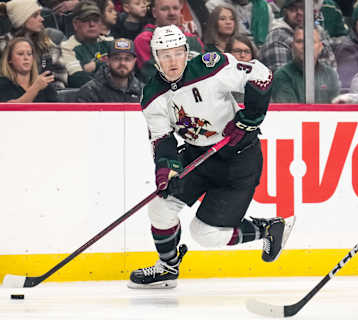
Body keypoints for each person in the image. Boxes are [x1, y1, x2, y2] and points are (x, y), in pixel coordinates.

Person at [127, 25, 294, 289]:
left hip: (239, 161)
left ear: (186, 51)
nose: (173, 61)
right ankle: (168, 268)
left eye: (177, 53)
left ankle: (268, 229)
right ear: (155, 58)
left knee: (205, 234)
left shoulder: (210, 67)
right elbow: (162, 138)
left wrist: (249, 120)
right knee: (159, 210)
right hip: (197, 157)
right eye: (165, 55)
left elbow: (261, 76)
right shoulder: (152, 95)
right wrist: (167, 170)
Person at [0, 0, 68, 89]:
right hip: (10, 96)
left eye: (40, 14)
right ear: (22, 20)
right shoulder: (1, 44)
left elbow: (60, 76)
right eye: (35, 16)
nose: (42, 19)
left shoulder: (47, 44)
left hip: (43, 96)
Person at [133, 0, 204, 83]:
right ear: (154, 12)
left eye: (175, 8)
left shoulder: (193, 39)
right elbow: (154, 76)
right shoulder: (144, 40)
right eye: (165, 9)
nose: (172, 13)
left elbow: (204, 72)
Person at [259, 0, 337, 73]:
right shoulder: (277, 37)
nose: (299, 12)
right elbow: (282, 81)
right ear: (285, 11)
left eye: (303, 8)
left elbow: (331, 71)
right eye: (293, 9)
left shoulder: (318, 31)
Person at [271, 26, 339, 103]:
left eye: (312, 42)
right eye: (300, 41)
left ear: (321, 47)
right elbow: (289, 113)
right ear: (292, 46)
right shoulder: (281, 76)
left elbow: (336, 110)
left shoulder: (330, 74)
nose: (306, 46)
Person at [61, 0, 113, 88]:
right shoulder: (66, 47)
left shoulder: (109, 42)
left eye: (95, 20)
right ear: (75, 24)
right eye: (86, 20)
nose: (92, 24)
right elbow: (78, 79)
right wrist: (107, 65)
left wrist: (94, 66)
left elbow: (125, 70)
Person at [0, 37, 58, 102]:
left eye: (29, 54)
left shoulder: (43, 84)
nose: (26, 58)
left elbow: (59, 111)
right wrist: (35, 88)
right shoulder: (0, 84)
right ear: (9, 59)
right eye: (20, 54)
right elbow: (10, 110)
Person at [76, 38, 143, 102]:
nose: (122, 63)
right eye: (117, 58)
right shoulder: (90, 91)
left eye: (127, 59)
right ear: (107, 60)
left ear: (134, 61)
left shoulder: (143, 91)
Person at [205, 0, 274, 47]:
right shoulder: (214, 5)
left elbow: (269, 38)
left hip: (257, 52)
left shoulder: (264, 8)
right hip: (226, 48)